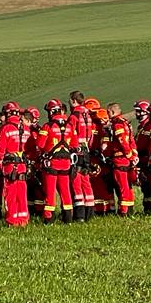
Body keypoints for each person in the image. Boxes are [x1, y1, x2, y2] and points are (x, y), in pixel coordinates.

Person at [37, 99, 75, 224]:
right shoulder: (70, 126)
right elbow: (74, 144)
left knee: (50, 192)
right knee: (65, 191)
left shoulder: (47, 126)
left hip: (51, 164)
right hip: (66, 163)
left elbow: (40, 144)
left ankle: (49, 218)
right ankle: (68, 218)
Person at [0, 101, 30, 227]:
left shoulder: (6, 128)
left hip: (10, 166)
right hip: (22, 165)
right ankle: (23, 220)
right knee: (22, 194)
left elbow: (0, 149)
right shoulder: (25, 128)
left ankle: (12, 220)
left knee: (10, 194)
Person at [67, 91, 96, 222]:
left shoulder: (74, 115)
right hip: (86, 150)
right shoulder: (88, 115)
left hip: (77, 151)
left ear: (73, 101)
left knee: (76, 181)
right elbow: (91, 135)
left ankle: (79, 215)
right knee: (86, 182)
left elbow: (69, 133)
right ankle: (89, 214)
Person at [106, 102, 137, 216]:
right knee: (127, 186)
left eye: (108, 112)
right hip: (127, 158)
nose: (107, 115)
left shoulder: (117, 124)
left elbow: (122, 141)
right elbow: (131, 140)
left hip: (120, 159)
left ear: (112, 112)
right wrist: (133, 155)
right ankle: (129, 209)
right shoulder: (125, 123)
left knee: (122, 186)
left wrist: (129, 155)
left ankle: (123, 211)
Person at [133, 100, 151, 214]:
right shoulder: (141, 127)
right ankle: (147, 208)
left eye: (139, 111)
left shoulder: (150, 126)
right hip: (141, 160)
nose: (137, 114)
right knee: (145, 186)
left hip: (148, 160)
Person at [23, 107, 45, 218]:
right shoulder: (25, 131)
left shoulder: (38, 131)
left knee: (38, 189)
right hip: (27, 161)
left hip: (36, 163)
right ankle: (30, 211)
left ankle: (39, 211)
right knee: (29, 190)